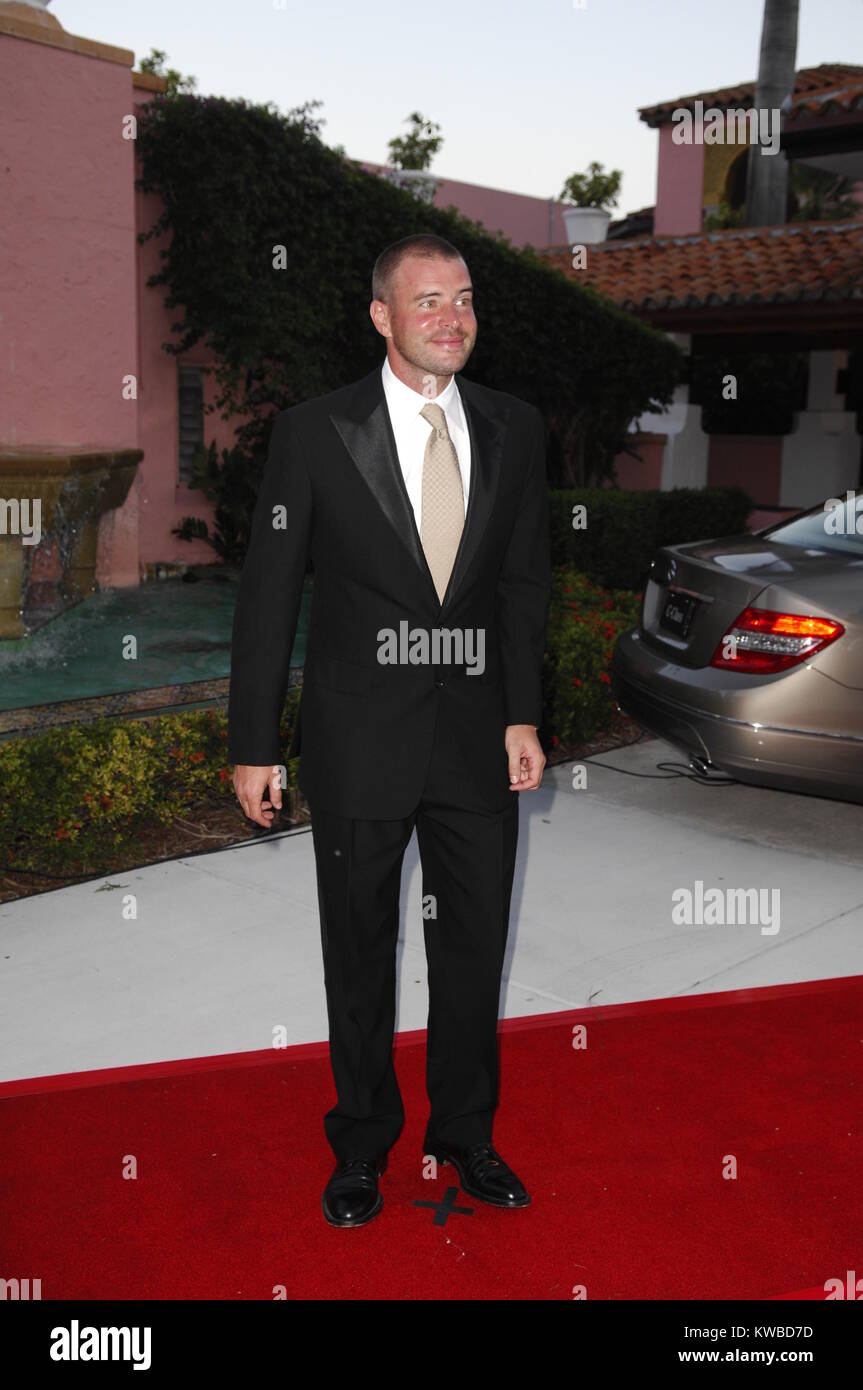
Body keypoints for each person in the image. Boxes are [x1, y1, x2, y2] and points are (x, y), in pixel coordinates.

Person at [228, 232, 551, 1227]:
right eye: (426, 302)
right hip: (357, 739)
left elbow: (522, 582)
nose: (449, 318)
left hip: (473, 743)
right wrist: (252, 743)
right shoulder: (314, 433)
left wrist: (522, 711)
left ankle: (464, 1136)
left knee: (471, 950)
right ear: (381, 316)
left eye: (461, 299)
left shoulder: (514, 427)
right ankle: (360, 1146)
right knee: (359, 950)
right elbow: (269, 593)